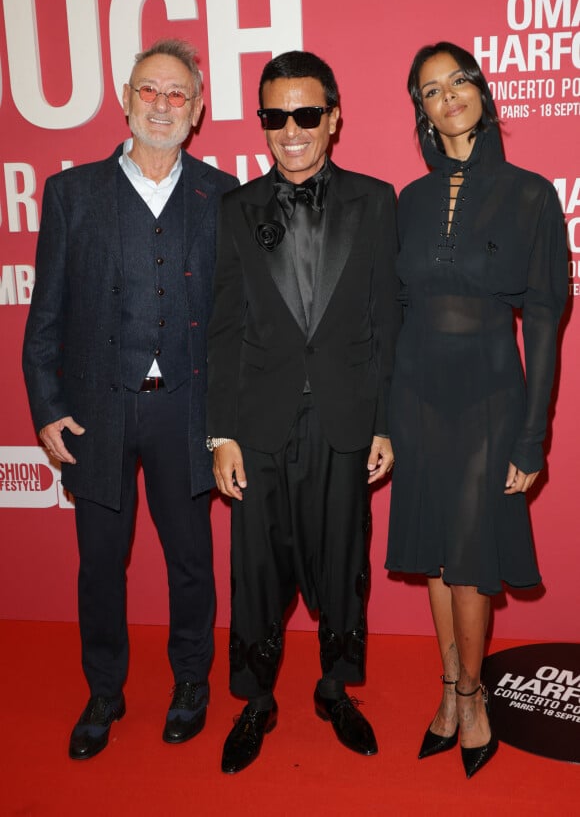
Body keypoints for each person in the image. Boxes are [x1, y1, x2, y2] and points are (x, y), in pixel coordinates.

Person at [22, 38, 238, 760]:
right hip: (98, 409)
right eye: (150, 90)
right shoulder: (71, 193)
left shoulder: (221, 195)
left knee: (191, 562)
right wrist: (48, 407)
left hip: (187, 408)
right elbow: (44, 315)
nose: (163, 105)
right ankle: (104, 691)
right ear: (125, 96)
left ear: (199, 109)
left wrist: (230, 417)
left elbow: (238, 321)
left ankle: (190, 683)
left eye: (178, 95)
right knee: (99, 562)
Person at [206, 50, 400, 773]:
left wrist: (383, 421)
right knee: (255, 571)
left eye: (306, 114)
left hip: (346, 419)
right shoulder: (234, 208)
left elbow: (386, 321)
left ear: (334, 118)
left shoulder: (377, 201)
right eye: (275, 116)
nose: (291, 130)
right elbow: (223, 328)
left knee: (344, 561)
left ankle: (333, 689)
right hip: (258, 423)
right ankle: (257, 700)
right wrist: (219, 432)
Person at [386, 41, 568, 778]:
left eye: (458, 80)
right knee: (434, 552)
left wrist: (534, 433)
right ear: (423, 114)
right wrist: (381, 417)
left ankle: (472, 694)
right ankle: (447, 685)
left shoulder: (531, 194)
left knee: (469, 560)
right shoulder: (411, 199)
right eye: (430, 90)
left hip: (492, 397)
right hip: (415, 394)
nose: (448, 95)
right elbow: (394, 308)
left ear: (481, 92)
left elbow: (547, 321)